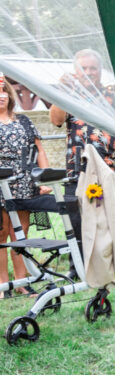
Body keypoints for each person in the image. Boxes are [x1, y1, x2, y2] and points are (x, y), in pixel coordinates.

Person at [48, 48, 115, 245]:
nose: (89, 72)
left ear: (100, 70)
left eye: (93, 68)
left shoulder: (113, 95)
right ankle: (78, 268)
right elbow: (56, 120)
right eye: (83, 68)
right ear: (76, 71)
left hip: (110, 169)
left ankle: (109, 270)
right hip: (77, 171)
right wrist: (62, 91)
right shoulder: (69, 96)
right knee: (76, 221)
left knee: (108, 223)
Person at [0, 78, 51, 295]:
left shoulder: (24, 121)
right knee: (1, 235)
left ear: (10, 94)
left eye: (4, 90)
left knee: (20, 234)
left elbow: (39, 150)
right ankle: (2, 285)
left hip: (23, 183)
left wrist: (45, 179)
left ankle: (21, 282)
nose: (1, 94)